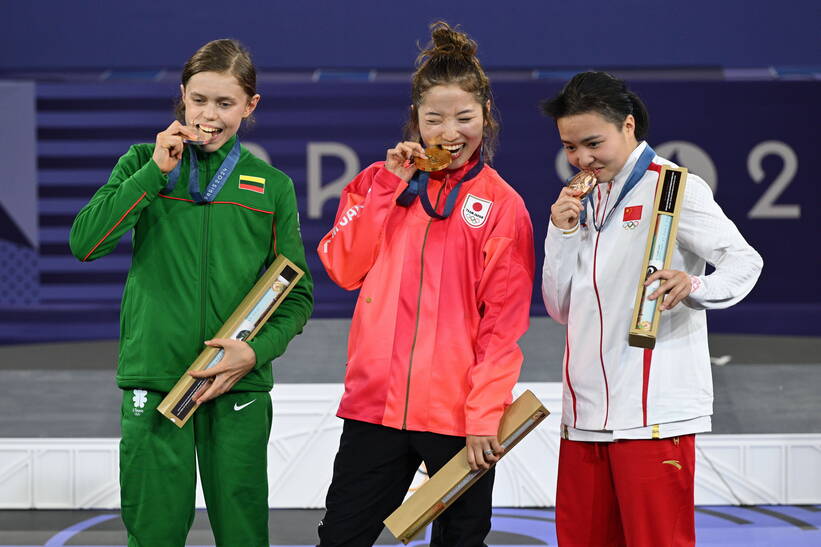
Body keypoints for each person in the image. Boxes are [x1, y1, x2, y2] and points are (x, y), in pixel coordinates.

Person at [69, 39, 313, 547]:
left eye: (225, 103)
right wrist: (153, 173)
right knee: (154, 535)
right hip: (156, 383)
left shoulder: (272, 187)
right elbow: (85, 243)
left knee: (244, 536)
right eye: (199, 100)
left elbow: (296, 294)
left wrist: (254, 352)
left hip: (236, 388)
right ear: (182, 97)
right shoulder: (144, 163)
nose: (209, 115)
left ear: (251, 106)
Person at [316, 21, 535, 547]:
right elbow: (342, 268)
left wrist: (484, 415)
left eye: (464, 117)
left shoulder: (504, 207)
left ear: (486, 115)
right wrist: (389, 188)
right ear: (415, 120)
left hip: (459, 416)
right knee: (341, 538)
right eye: (434, 118)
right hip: (375, 406)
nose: (450, 132)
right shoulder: (377, 183)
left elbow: (502, 326)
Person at [540, 71, 763, 546]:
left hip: (653, 415)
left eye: (592, 143)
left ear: (627, 125)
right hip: (584, 414)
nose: (581, 158)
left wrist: (694, 283)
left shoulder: (675, 187)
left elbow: (745, 261)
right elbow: (559, 307)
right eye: (569, 147)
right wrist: (559, 236)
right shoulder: (582, 199)